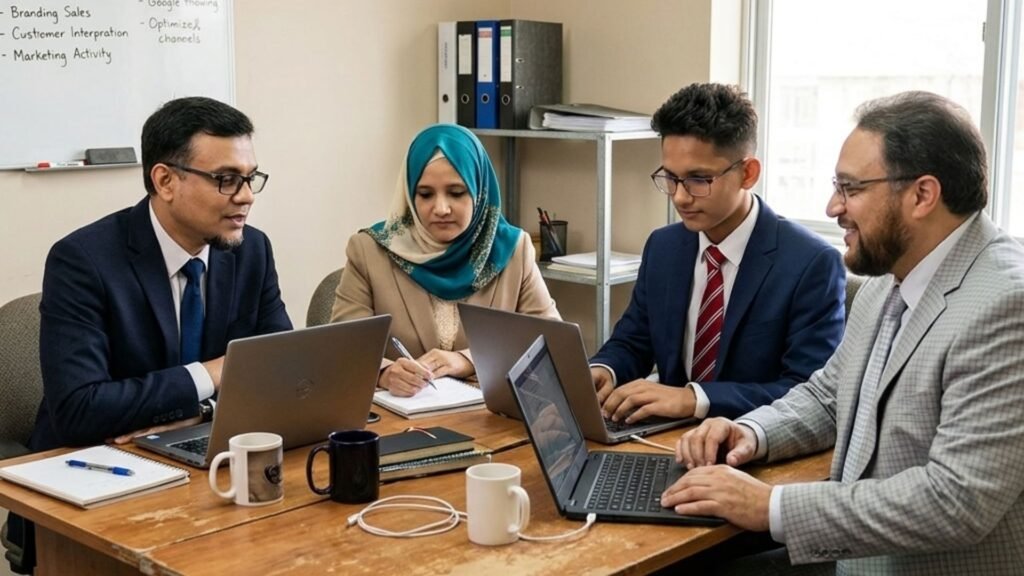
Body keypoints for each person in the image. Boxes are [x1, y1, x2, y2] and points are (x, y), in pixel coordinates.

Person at [664, 91, 1024, 576]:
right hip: (856, 555)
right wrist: (749, 430)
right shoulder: (888, 282)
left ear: (923, 195)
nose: (834, 206)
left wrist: (771, 506)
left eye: (851, 189)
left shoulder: (1006, 304)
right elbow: (829, 396)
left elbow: (955, 501)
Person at [5, 96, 292, 573]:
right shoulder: (84, 262)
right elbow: (80, 410)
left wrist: (196, 409)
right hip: (96, 485)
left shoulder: (250, 251)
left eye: (250, 177)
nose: (246, 196)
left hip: (204, 465)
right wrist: (212, 374)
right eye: (227, 179)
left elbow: (278, 368)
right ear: (165, 181)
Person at [590, 83, 845, 424]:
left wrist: (695, 399)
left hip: (749, 448)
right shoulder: (663, 248)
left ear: (748, 173)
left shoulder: (811, 263)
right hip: (662, 439)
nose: (680, 197)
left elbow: (808, 392)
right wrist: (605, 370)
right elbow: (633, 341)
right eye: (670, 178)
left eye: (699, 179)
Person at [330, 123, 559, 397]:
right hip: (403, 421)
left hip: (489, 419)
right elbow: (343, 348)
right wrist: (384, 373)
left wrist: (467, 360)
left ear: (479, 190)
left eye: (456, 192)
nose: (441, 208)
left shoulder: (512, 250)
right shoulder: (370, 250)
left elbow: (551, 343)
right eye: (425, 194)